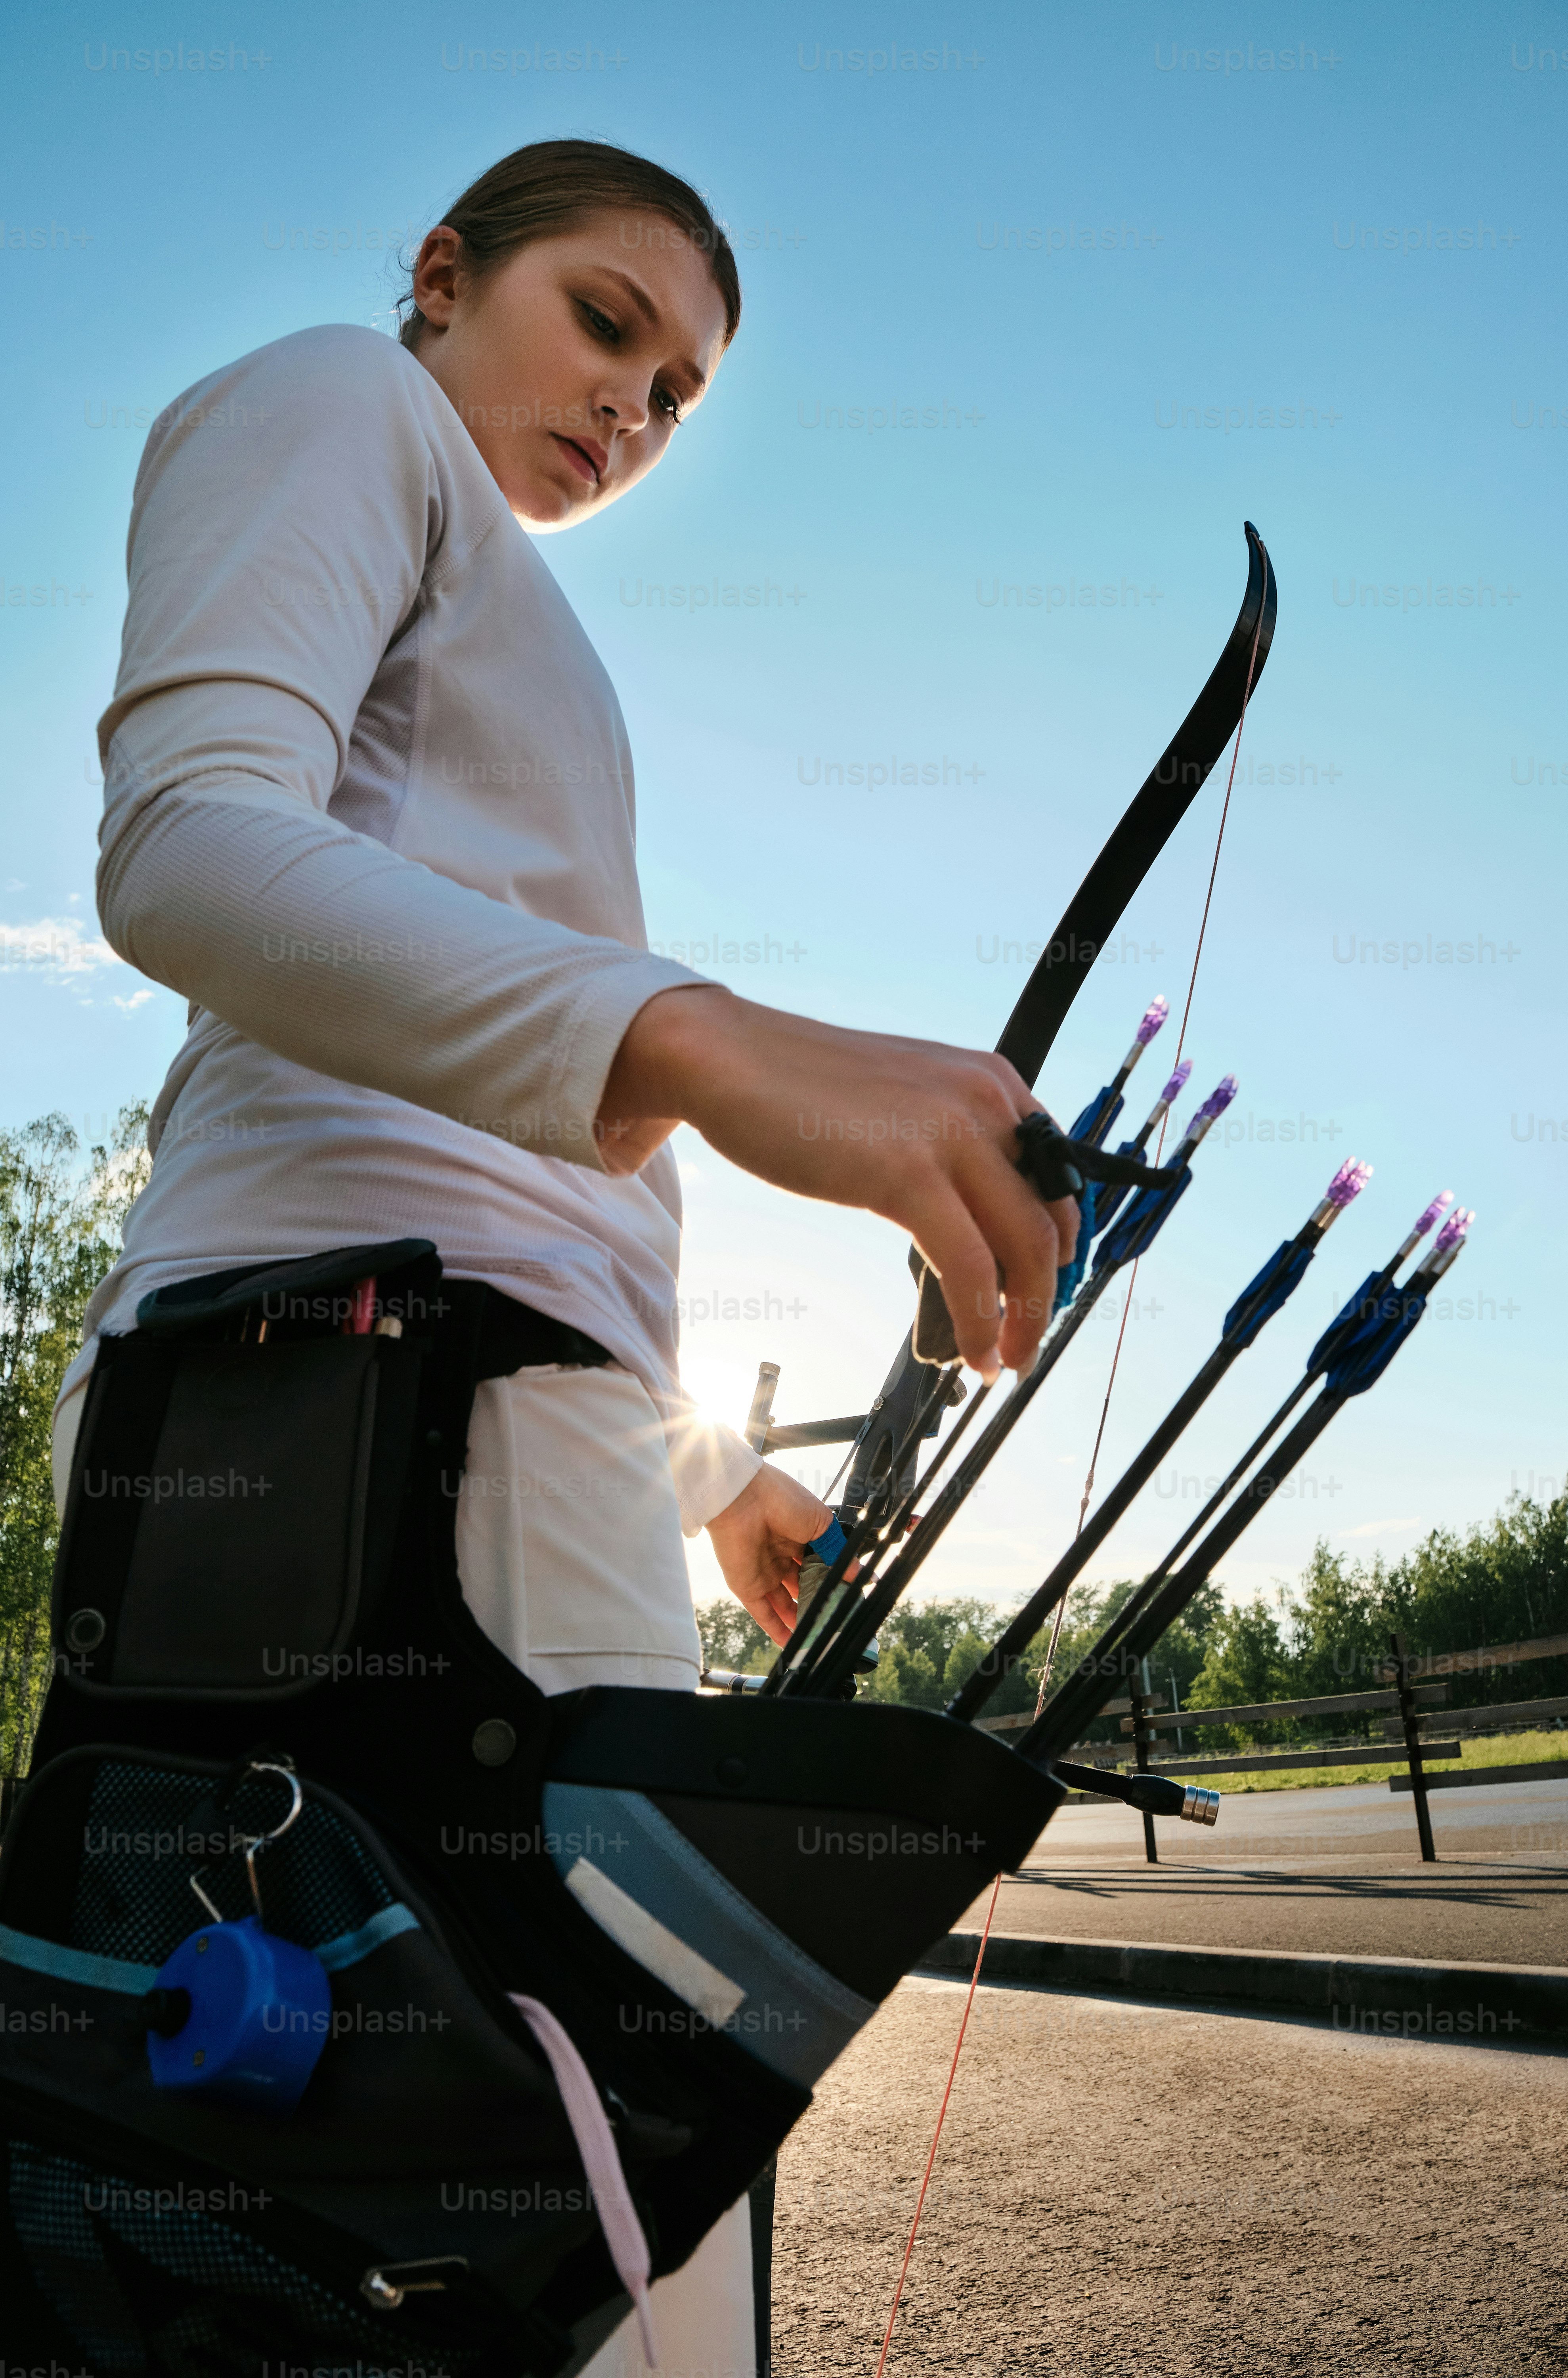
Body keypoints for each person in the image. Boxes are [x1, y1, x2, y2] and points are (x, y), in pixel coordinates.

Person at [52, 138, 1077, 2374]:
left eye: (684, 393)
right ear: (442, 274)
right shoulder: (341, 394)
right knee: (506, 2216)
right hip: (348, 1394)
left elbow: (522, 1119)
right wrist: (702, 1037)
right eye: (607, 324)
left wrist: (705, 1478)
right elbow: (188, 847)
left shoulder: (520, 623)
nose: (636, 408)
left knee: (542, 2190)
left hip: (464, 1409)